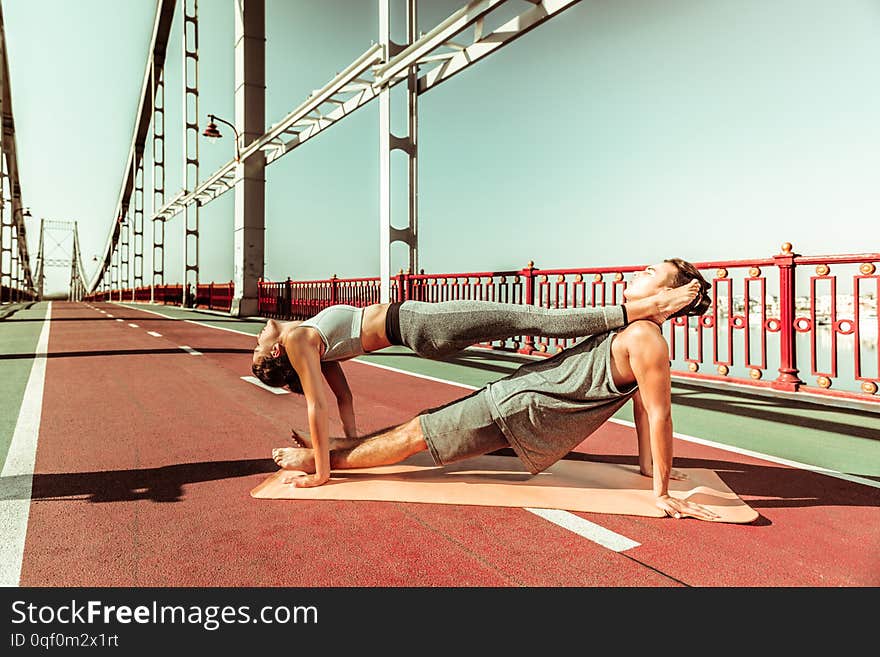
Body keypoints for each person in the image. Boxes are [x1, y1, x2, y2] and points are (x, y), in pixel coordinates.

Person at [269, 258, 718, 521]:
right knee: (417, 433)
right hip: (521, 404)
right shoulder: (642, 336)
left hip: (518, 403)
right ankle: (331, 453)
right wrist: (652, 480)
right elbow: (648, 410)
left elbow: (653, 414)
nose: (640, 270)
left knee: (416, 434)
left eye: (651, 273)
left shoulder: (642, 338)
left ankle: (327, 456)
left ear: (670, 294)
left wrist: (655, 484)